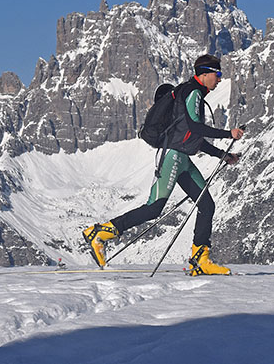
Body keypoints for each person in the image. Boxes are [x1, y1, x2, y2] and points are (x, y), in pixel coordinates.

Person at [82, 54, 244, 275]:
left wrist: (222, 156)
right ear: (204, 74)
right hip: (172, 157)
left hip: (182, 158)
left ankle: (200, 260)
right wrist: (228, 134)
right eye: (217, 74)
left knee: (207, 205)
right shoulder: (193, 92)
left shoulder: (194, 93)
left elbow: (191, 136)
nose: (219, 79)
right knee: (154, 208)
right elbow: (195, 128)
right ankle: (100, 233)